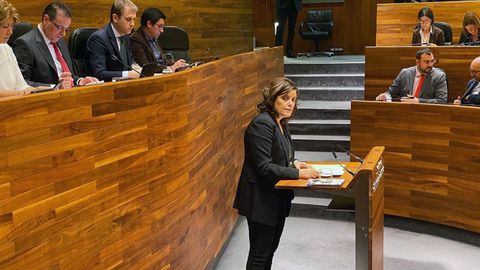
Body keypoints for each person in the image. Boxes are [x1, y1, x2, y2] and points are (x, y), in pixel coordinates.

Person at [233, 77, 319, 270]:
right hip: (261, 200)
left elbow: (280, 154)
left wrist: (295, 163)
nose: (290, 103)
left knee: (269, 251)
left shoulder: (280, 122)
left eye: (294, 100)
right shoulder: (262, 124)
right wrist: (299, 175)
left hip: (276, 198)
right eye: (285, 98)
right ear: (273, 99)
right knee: (259, 256)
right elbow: (264, 167)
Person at [13, 1, 98, 88]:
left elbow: (67, 76)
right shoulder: (25, 44)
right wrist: (55, 87)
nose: (63, 34)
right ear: (46, 19)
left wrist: (80, 81)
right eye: (60, 27)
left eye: (66, 29)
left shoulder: (59, 39)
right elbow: (22, 84)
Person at [85, 0, 140, 81]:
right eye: (128, 19)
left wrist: (136, 68)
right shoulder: (98, 39)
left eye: (134, 19)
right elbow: (99, 73)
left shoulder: (125, 36)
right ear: (115, 18)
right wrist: (128, 74)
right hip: (106, 89)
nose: (132, 24)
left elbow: (130, 60)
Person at [375, 48, 447, 104]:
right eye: (426, 62)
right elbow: (391, 93)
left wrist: (418, 101)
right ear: (417, 62)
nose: (430, 65)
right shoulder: (404, 73)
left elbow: (442, 101)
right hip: (404, 112)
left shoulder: (439, 76)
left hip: (426, 114)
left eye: (432, 61)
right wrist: (385, 96)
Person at [130, 7, 187, 73]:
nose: (162, 31)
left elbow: (163, 61)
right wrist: (171, 67)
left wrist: (179, 65)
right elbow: (145, 67)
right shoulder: (136, 39)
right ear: (149, 24)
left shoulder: (153, 36)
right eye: (160, 26)